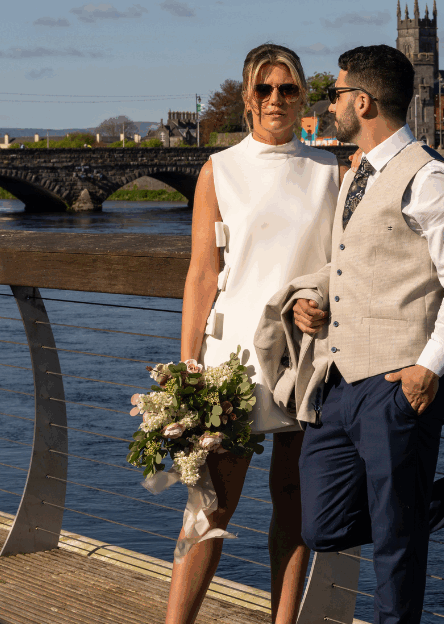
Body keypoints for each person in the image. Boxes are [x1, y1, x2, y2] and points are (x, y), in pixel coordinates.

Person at [277, 44, 444, 624]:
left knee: (397, 553)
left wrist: (430, 367)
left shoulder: (431, 180)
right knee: (322, 524)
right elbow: (353, 260)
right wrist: (314, 294)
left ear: (363, 100)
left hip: (401, 382)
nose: (330, 104)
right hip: (340, 382)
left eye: (336, 93)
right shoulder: (355, 173)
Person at [168, 43, 343, 624]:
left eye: (287, 89)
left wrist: (319, 298)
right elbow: (201, 273)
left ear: (302, 98)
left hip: (304, 355)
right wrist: (187, 367)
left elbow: (341, 264)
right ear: (246, 98)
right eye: (263, 89)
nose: (275, 100)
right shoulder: (220, 169)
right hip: (232, 359)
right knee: (210, 506)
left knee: (293, 505)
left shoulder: (331, 171)